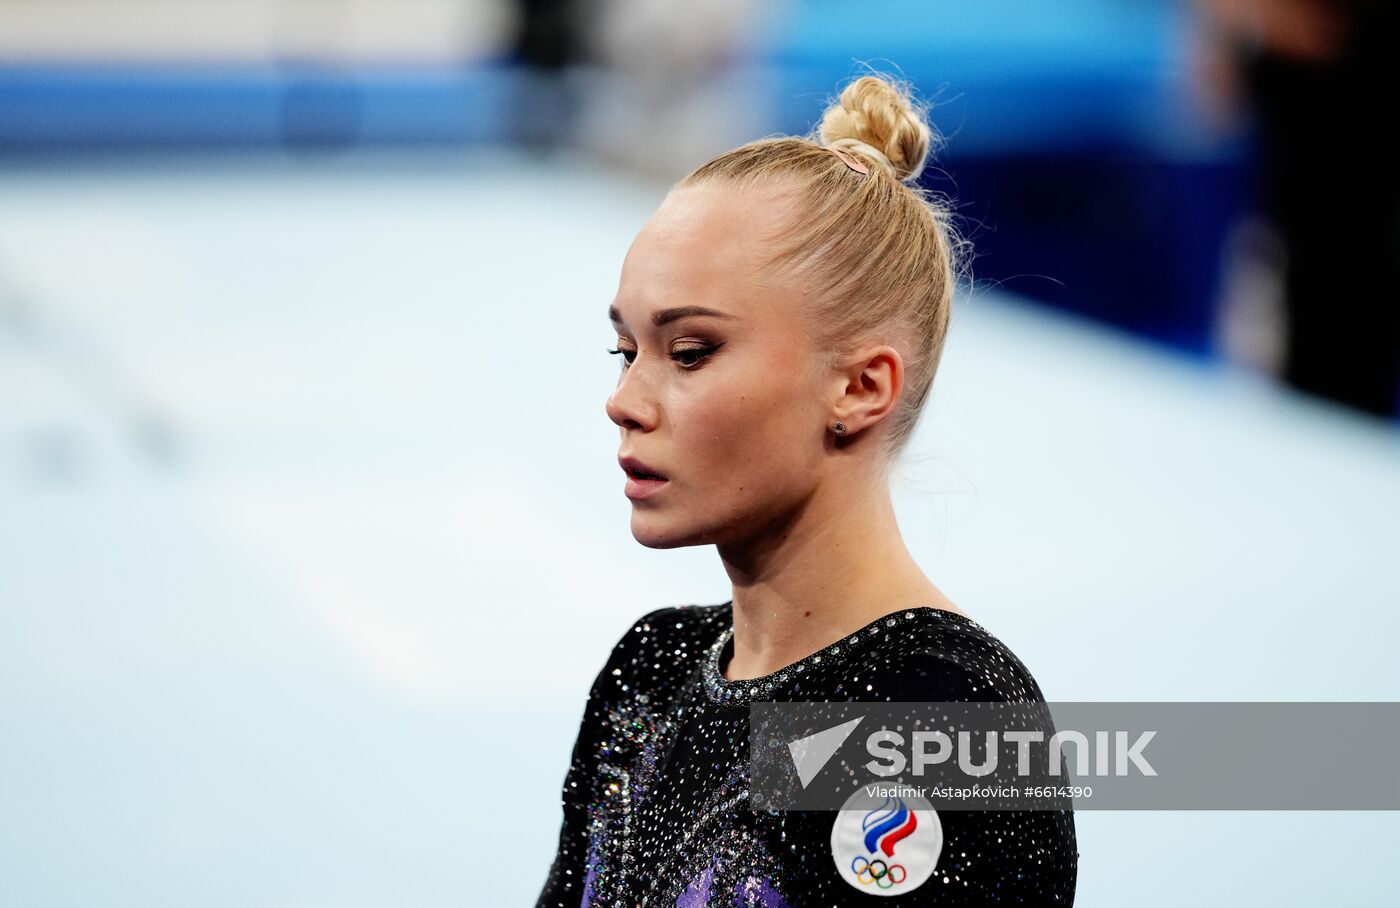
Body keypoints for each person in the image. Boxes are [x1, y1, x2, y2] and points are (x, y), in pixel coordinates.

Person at [536, 73, 1079, 907]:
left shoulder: (941, 718)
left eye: (688, 352)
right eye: (625, 351)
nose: (624, 401)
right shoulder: (648, 674)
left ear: (860, 387)